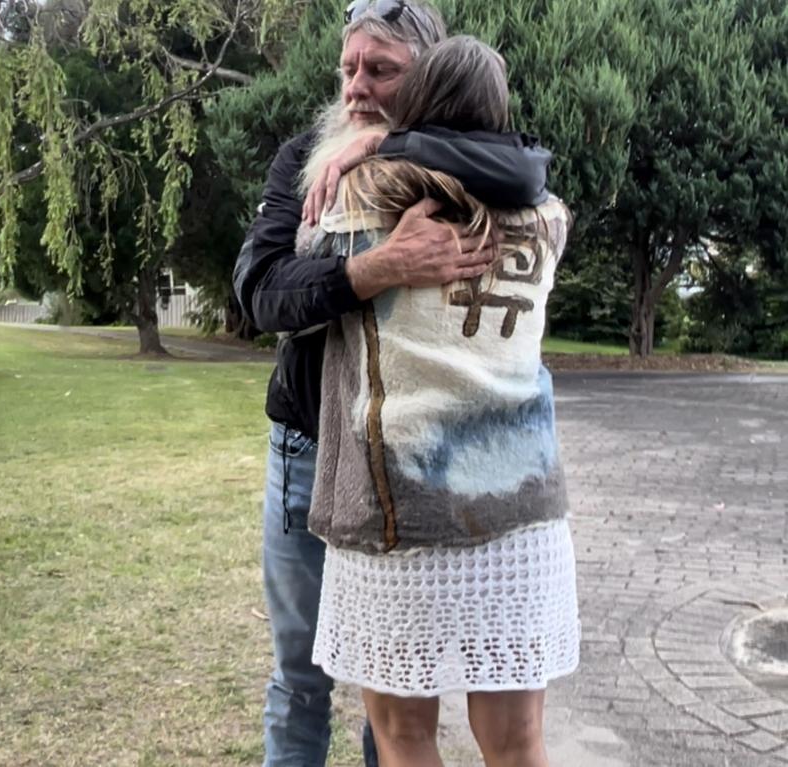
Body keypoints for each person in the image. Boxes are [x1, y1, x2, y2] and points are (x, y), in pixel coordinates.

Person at [233, 2, 554, 765]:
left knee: (396, 698)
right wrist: (375, 267)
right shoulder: (308, 160)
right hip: (313, 447)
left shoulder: (479, 166)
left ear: (431, 79)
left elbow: (528, 167)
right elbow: (259, 292)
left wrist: (393, 142)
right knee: (302, 674)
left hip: (421, 470)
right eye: (348, 68)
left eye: (381, 70)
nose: (355, 88)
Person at [303, 35, 580, 767]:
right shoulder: (548, 218)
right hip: (521, 514)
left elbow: (297, 266)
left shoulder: (367, 199)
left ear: (417, 105)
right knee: (519, 744)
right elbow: (515, 172)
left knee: (402, 736)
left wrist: (364, 148)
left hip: (401, 511)